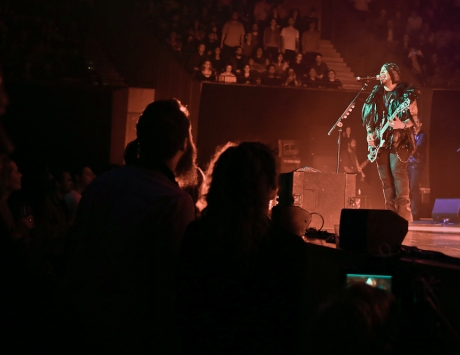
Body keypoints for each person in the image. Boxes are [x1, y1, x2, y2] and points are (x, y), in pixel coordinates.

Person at [68, 99, 197, 352]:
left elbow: (77, 253)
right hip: (140, 334)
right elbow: (171, 286)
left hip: (89, 325)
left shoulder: (102, 185)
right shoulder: (175, 202)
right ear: (184, 142)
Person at [176, 142, 305, 354]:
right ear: (273, 188)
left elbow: (184, 312)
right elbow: (289, 329)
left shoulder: (197, 235)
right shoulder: (288, 249)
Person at [361, 63, 420, 223]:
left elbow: (415, 122)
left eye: (383, 72)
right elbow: (370, 121)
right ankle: (390, 215)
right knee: (386, 181)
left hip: (399, 142)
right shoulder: (376, 96)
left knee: (398, 174)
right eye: (379, 72)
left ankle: (403, 216)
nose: (380, 74)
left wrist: (403, 125)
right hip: (381, 144)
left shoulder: (405, 96)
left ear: (393, 74)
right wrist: (369, 135)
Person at [408, 126, 426, 220]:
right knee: (408, 188)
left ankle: (416, 213)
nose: (415, 126)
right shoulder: (412, 135)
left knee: (414, 187)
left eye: (417, 123)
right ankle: (409, 211)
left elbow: (417, 147)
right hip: (410, 164)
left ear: (421, 124)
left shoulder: (422, 135)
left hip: (417, 163)